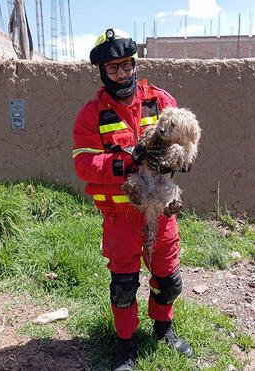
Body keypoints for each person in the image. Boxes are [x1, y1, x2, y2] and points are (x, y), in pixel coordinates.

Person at [72, 28, 192, 371]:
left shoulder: (161, 100)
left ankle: (163, 328)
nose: (122, 73)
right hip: (119, 216)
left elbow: (187, 145)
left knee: (168, 281)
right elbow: (84, 163)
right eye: (113, 68)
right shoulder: (90, 114)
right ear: (102, 72)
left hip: (161, 212)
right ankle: (126, 345)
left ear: (134, 64)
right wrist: (129, 159)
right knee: (123, 286)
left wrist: (178, 160)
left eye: (126, 65)